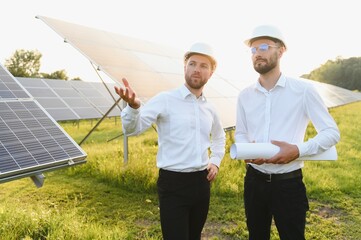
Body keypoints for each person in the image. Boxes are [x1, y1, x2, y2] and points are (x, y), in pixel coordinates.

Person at [235, 25, 340, 240]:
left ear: (281, 51)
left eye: (264, 46)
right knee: (256, 236)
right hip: (254, 182)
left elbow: (331, 133)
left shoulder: (303, 91)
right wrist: (248, 150)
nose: (258, 53)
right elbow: (241, 134)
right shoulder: (244, 96)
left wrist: (297, 150)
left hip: (288, 184)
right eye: (253, 49)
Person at [114, 42, 226, 240]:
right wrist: (133, 107)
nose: (197, 70)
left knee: (194, 236)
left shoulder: (210, 108)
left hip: (202, 183)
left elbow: (219, 136)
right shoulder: (165, 99)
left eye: (203, 66)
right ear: (184, 67)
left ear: (211, 72)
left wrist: (215, 161)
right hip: (173, 183)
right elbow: (133, 129)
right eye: (192, 64)